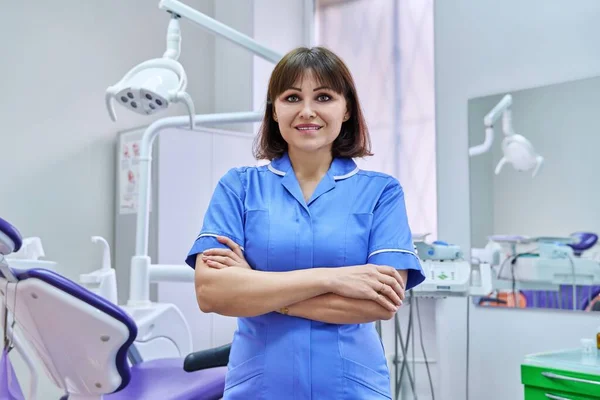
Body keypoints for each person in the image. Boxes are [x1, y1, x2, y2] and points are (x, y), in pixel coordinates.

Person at [185, 46, 425, 400]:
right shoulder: (238, 186)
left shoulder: (381, 193)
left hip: (351, 388)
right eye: (292, 97)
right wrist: (334, 278)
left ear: (346, 110)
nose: (307, 111)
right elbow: (211, 293)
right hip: (260, 387)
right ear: (275, 110)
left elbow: (379, 303)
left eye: (324, 96)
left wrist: (256, 288)